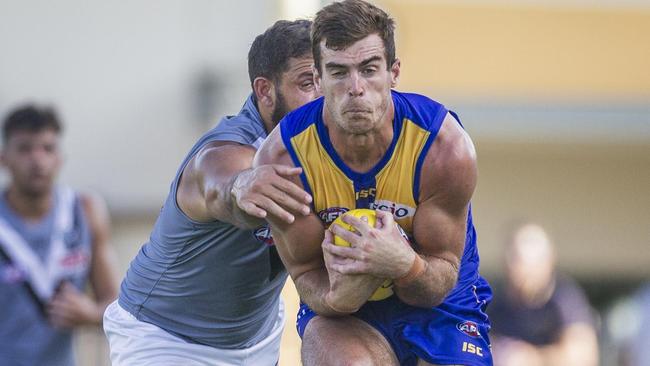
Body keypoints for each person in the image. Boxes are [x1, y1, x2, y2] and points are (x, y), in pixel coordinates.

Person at [254, 1, 493, 365]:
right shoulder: (285, 158)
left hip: (443, 303)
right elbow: (306, 274)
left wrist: (403, 264)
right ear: (318, 79)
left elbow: (441, 275)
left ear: (393, 73)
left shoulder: (444, 147)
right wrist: (340, 295)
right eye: (338, 72)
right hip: (346, 316)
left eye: (368, 70)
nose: (356, 88)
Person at [103, 20, 317, 365]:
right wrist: (240, 187)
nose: (323, 97)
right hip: (165, 338)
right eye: (307, 83)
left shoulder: (327, 144)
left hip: (256, 339)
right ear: (265, 91)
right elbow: (220, 183)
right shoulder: (230, 148)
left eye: (328, 79)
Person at [0, 105, 119, 366]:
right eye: (25, 149)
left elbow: (115, 306)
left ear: (60, 157)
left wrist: (90, 314)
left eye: (47, 148)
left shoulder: (85, 211)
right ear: (3, 158)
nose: (37, 160)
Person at [488, 223, 599, 366]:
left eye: (527, 263)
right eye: (514, 261)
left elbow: (584, 356)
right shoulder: (498, 302)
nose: (519, 271)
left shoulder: (564, 298)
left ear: (548, 262)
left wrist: (530, 359)